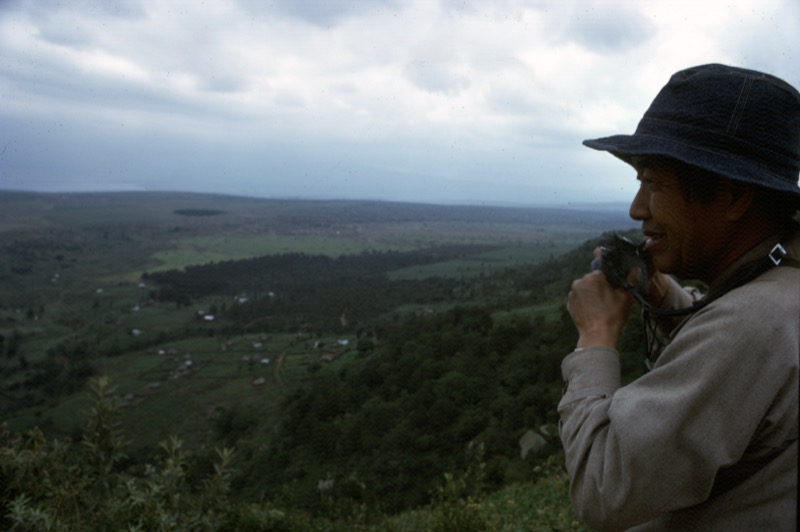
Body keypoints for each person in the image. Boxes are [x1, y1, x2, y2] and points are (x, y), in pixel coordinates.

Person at [559, 63, 799, 531]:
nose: (637, 209)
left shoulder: (749, 324)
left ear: (732, 197)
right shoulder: (779, 288)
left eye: (654, 183)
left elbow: (603, 489)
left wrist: (595, 337)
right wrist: (662, 295)